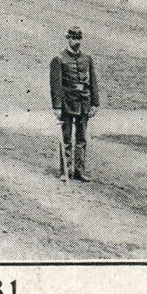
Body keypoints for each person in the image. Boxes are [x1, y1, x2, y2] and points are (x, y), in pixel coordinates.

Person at [50, 26, 99, 181]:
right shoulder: (59, 59)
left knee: (81, 139)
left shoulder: (87, 59)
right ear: (68, 39)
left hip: (84, 102)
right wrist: (57, 106)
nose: (76, 42)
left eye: (78, 39)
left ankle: (79, 170)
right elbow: (55, 86)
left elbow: (93, 82)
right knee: (66, 138)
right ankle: (65, 170)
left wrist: (94, 103)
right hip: (66, 103)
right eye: (73, 38)